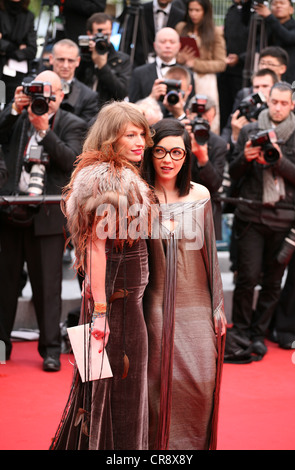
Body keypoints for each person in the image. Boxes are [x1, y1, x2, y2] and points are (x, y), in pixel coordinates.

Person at [50, 101, 154, 450]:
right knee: (120, 390)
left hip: (113, 299)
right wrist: (102, 313)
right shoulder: (109, 179)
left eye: (142, 133)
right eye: (131, 135)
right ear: (111, 138)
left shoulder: (112, 174)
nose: (141, 141)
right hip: (114, 304)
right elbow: (95, 247)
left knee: (100, 385)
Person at [141, 118, 226, 450]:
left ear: (187, 155)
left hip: (197, 303)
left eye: (177, 152)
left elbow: (211, 254)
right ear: (150, 153)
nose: (168, 159)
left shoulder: (201, 194)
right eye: (160, 150)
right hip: (154, 305)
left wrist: (217, 304)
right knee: (157, 384)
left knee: (202, 383)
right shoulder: (140, 196)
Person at [0, 70, 87, 370]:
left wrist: (45, 131)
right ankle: (2, 346)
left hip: (48, 218)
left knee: (48, 288)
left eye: (48, 93)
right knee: (4, 286)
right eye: (36, 92)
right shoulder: (17, 118)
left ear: (61, 95)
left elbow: (71, 161)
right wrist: (13, 108)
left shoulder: (72, 124)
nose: (41, 99)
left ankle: (50, 349)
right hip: (10, 213)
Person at [226, 82, 295, 363]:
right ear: (267, 102)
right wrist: (244, 159)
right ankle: (242, 332)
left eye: (284, 103)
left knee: (272, 282)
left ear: (292, 104)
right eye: (274, 102)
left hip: (284, 219)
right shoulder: (249, 130)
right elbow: (231, 174)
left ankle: (258, 333)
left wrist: (279, 162)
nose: (278, 108)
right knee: (246, 277)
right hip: (251, 216)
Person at [175, 0, 227, 134]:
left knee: (206, 115)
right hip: (184, 78)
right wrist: (179, 59)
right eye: (191, 10)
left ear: (205, 11)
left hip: (205, 80)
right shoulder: (181, 27)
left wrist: (195, 64)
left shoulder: (214, 32)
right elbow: (172, 53)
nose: (193, 14)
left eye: (197, 10)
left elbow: (221, 63)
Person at [187, 96, 227, 240]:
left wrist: (204, 160)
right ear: (187, 113)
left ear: (213, 119)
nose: (200, 123)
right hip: (178, 208)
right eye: (197, 117)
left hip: (206, 214)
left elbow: (216, 184)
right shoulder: (176, 136)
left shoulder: (218, 144)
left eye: (206, 120)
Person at [76, 13, 132, 109]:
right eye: (99, 35)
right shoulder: (80, 56)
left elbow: (122, 93)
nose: (103, 39)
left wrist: (102, 66)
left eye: (107, 35)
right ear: (89, 34)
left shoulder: (122, 60)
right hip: (82, 109)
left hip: (108, 111)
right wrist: (86, 57)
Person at [217, 0, 252, 131]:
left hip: (245, 71)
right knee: (224, 108)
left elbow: (258, 44)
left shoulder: (254, 13)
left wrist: (241, 58)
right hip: (226, 69)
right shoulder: (231, 11)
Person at [121, 0, 185, 67]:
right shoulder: (140, 10)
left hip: (169, 67)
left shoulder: (180, 15)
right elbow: (126, 38)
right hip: (139, 64)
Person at [49, 39, 99, 122]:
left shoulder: (88, 96)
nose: (65, 65)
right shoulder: (36, 86)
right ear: (51, 59)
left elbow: (84, 130)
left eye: (70, 60)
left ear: (78, 61)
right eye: (61, 60)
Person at [128, 27, 182, 104]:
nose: (167, 46)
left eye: (172, 42)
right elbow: (132, 106)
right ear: (155, 45)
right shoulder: (139, 73)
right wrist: (151, 97)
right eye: (163, 42)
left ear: (179, 46)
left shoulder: (187, 73)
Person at [0, 0, 37, 105]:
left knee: (12, 107)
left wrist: (6, 48)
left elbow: (32, 50)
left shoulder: (28, 16)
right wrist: (18, 47)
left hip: (17, 73)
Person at [254, 0, 295, 83]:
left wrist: (269, 17)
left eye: (282, 3)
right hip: (267, 76)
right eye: (274, 4)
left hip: (290, 77)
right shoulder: (265, 25)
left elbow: (289, 38)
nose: (278, 6)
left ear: (291, 10)